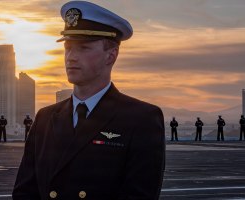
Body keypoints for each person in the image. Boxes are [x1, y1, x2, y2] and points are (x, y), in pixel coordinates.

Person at [13, 1, 165, 199]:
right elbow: (25, 192)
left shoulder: (141, 119)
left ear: (111, 56)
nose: (71, 57)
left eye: (83, 48)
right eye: (68, 48)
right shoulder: (45, 118)